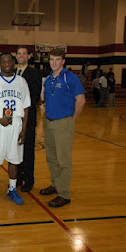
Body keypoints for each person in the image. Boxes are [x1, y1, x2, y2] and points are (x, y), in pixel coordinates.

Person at [0, 52, 31, 206]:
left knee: (14, 160)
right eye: (3, 62)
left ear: (13, 62)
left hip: (15, 124)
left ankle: (12, 189)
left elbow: (26, 108)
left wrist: (23, 130)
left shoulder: (21, 81)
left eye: (9, 61)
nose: (7, 64)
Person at [40, 48, 85, 208]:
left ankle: (64, 194)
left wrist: (72, 119)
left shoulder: (71, 78)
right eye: (52, 59)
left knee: (63, 160)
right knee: (51, 157)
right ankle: (55, 184)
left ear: (63, 61)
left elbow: (81, 100)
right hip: (48, 121)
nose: (54, 62)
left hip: (63, 123)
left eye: (57, 59)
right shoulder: (49, 79)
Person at [15, 46, 42, 192]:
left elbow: (34, 97)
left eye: (24, 54)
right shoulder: (11, 72)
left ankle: (29, 180)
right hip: (14, 119)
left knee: (28, 151)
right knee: (16, 150)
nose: (21, 56)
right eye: (19, 53)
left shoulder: (34, 73)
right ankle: (18, 177)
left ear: (29, 56)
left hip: (28, 118)